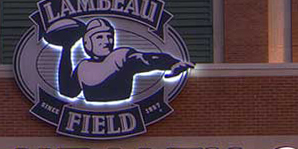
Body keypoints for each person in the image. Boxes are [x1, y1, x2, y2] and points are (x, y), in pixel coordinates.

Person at [44, 16, 191, 103]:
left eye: (109, 36)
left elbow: (146, 59)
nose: (106, 41)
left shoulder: (120, 56)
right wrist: (66, 47)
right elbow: (67, 92)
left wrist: (171, 62)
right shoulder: (83, 67)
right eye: (99, 37)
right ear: (87, 43)